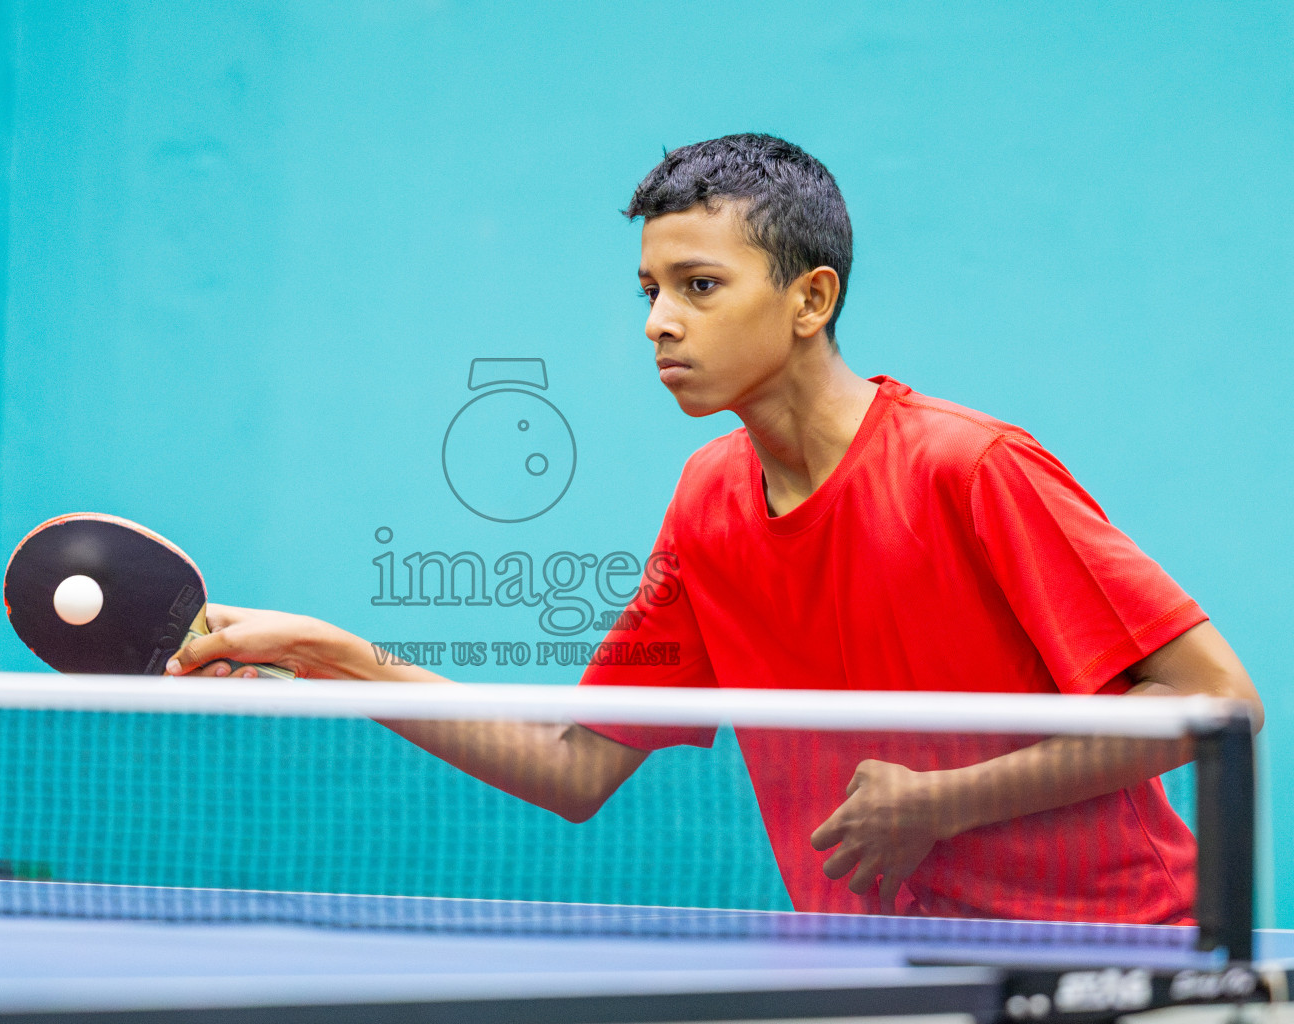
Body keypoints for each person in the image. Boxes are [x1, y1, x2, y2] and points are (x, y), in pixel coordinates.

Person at [168, 134, 1262, 923]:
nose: (658, 321)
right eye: (648, 288)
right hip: (870, 971)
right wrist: (330, 656)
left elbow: (1218, 703)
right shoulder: (711, 501)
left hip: (1116, 964)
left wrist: (943, 802)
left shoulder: (968, 467)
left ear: (810, 297)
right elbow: (575, 764)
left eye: (698, 285)